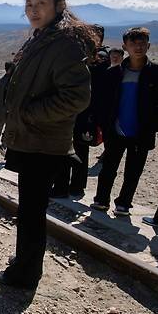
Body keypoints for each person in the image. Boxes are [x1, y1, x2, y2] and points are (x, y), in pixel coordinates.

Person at [0, 0, 97, 290]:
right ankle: (25, 263)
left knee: (31, 213)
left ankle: (24, 275)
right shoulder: (44, 37)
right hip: (33, 139)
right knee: (30, 210)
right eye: (29, 4)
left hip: (42, 141)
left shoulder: (63, 43)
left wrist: (28, 114)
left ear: (59, 6)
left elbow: (77, 96)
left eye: (41, 3)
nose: (33, 10)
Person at [91, 27, 158, 216]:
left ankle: (124, 204)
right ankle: (101, 200)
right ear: (125, 47)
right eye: (133, 43)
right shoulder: (114, 73)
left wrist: (154, 125)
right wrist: (104, 123)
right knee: (108, 167)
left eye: (142, 43)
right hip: (116, 129)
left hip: (142, 132)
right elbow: (102, 101)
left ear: (148, 46)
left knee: (133, 171)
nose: (138, 47)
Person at [51, 24, 110, 198]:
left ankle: (65, 186)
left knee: (72, 149)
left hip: (84, 112)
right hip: (79, 110)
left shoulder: (99, 58)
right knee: (75, 149)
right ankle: (73, 186)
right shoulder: (92, 56)